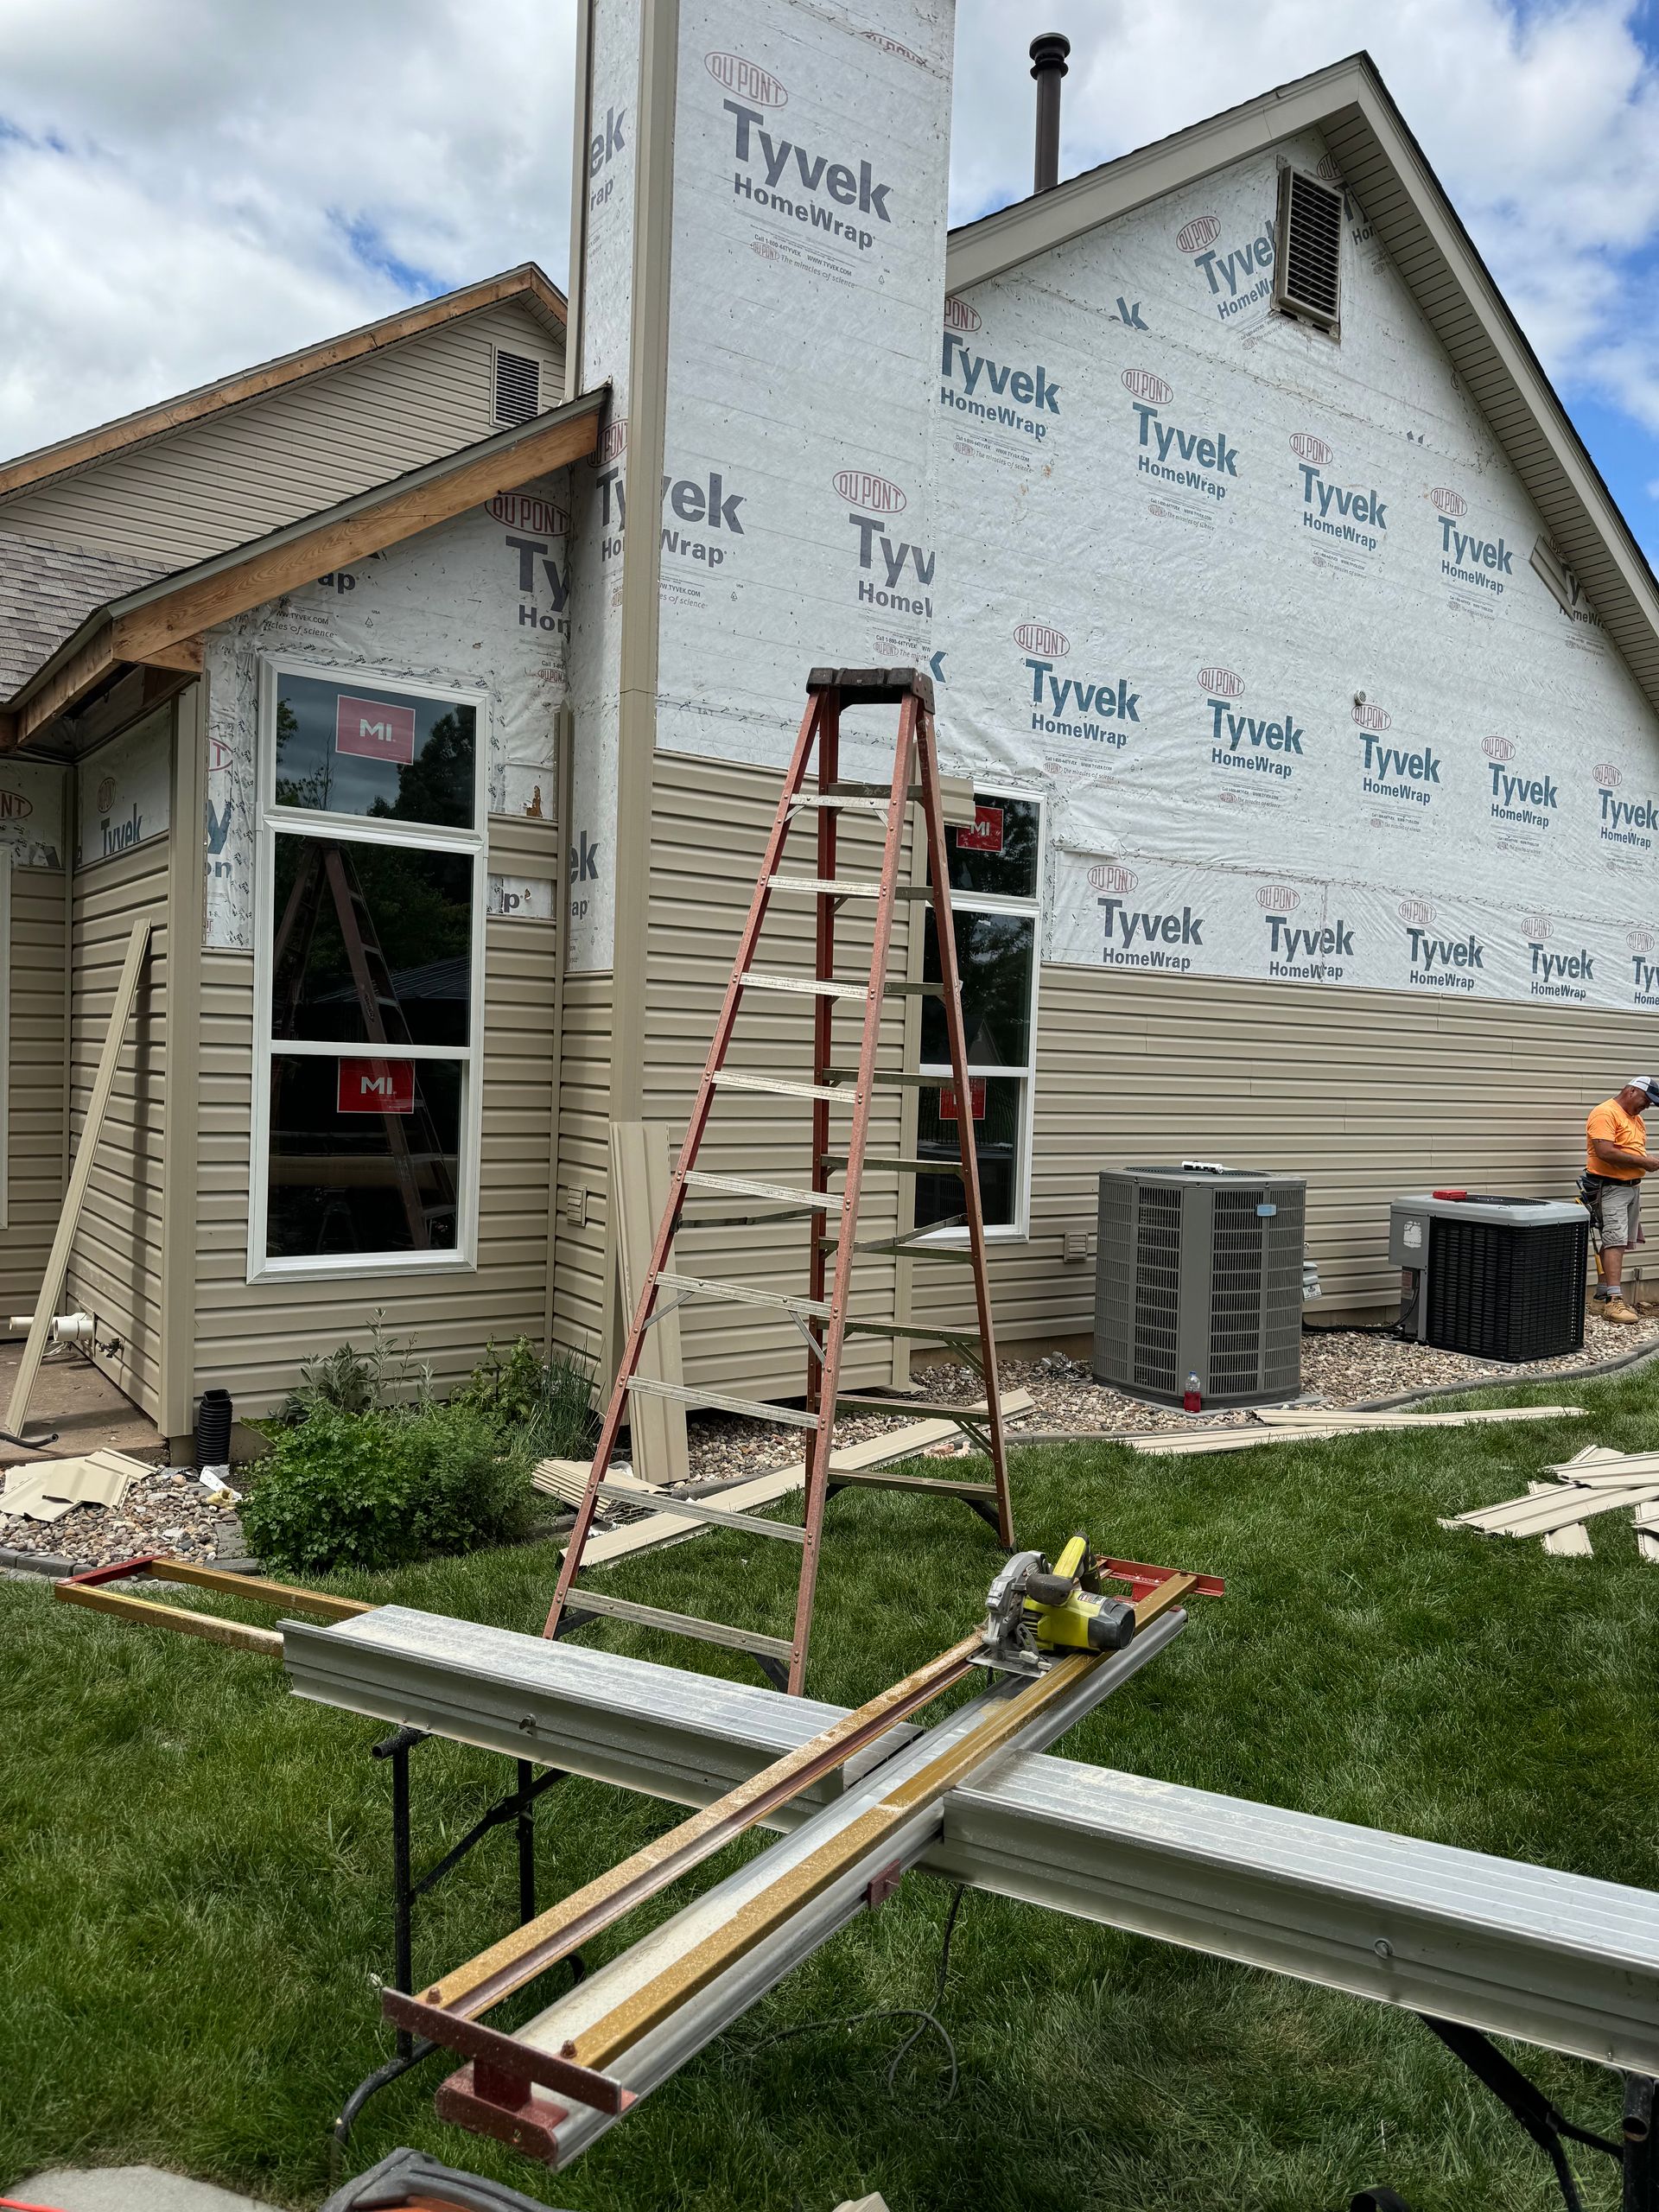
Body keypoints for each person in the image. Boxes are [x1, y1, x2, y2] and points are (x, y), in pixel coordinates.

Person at [1584, 1077, 1659, 1322]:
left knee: (1615, 1240)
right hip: (1610, 1187)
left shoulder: (1635, 1118)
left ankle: (1600, 1297)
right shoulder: (1605, 1113)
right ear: (1631, 1091)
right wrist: (1644, 1162)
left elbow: (1630, 1149)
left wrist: (1643, 1162)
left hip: (1630, 1187)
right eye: (1646, 1100)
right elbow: (1605, 1152)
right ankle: (1614, 1303)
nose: (1647, 1106)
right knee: (1615, 1241)